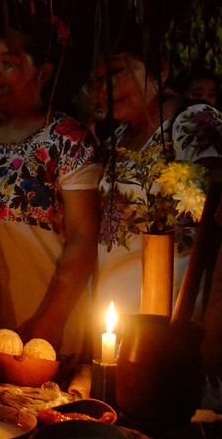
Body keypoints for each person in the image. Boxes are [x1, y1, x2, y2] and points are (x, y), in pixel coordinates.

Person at [0, 19, 101, 355]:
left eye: (9, 63)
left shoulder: (67, 138)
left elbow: (83, 237)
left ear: (43, 73)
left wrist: (49, 322)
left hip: (39, 312)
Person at [94, 32, 222, 324]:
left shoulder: (195, 122)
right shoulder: (114, 140)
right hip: (113, 312)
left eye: (116, 73)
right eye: (99, 80)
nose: (106, 90)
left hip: (174, 313)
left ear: (160, 70)